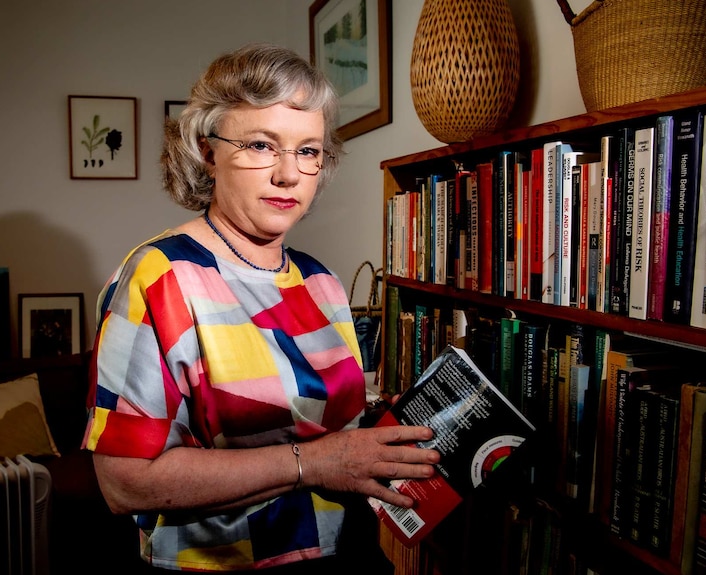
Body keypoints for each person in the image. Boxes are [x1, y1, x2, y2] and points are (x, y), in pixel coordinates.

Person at [82, 43, 441, 573]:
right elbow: (124, 483)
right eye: (260, 145)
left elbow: (326, 427)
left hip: (351, 553)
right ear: (207, 152)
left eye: (308, 151)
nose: (288, 175)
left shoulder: (322, 281)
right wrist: (319, 462)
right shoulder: (160, 277)